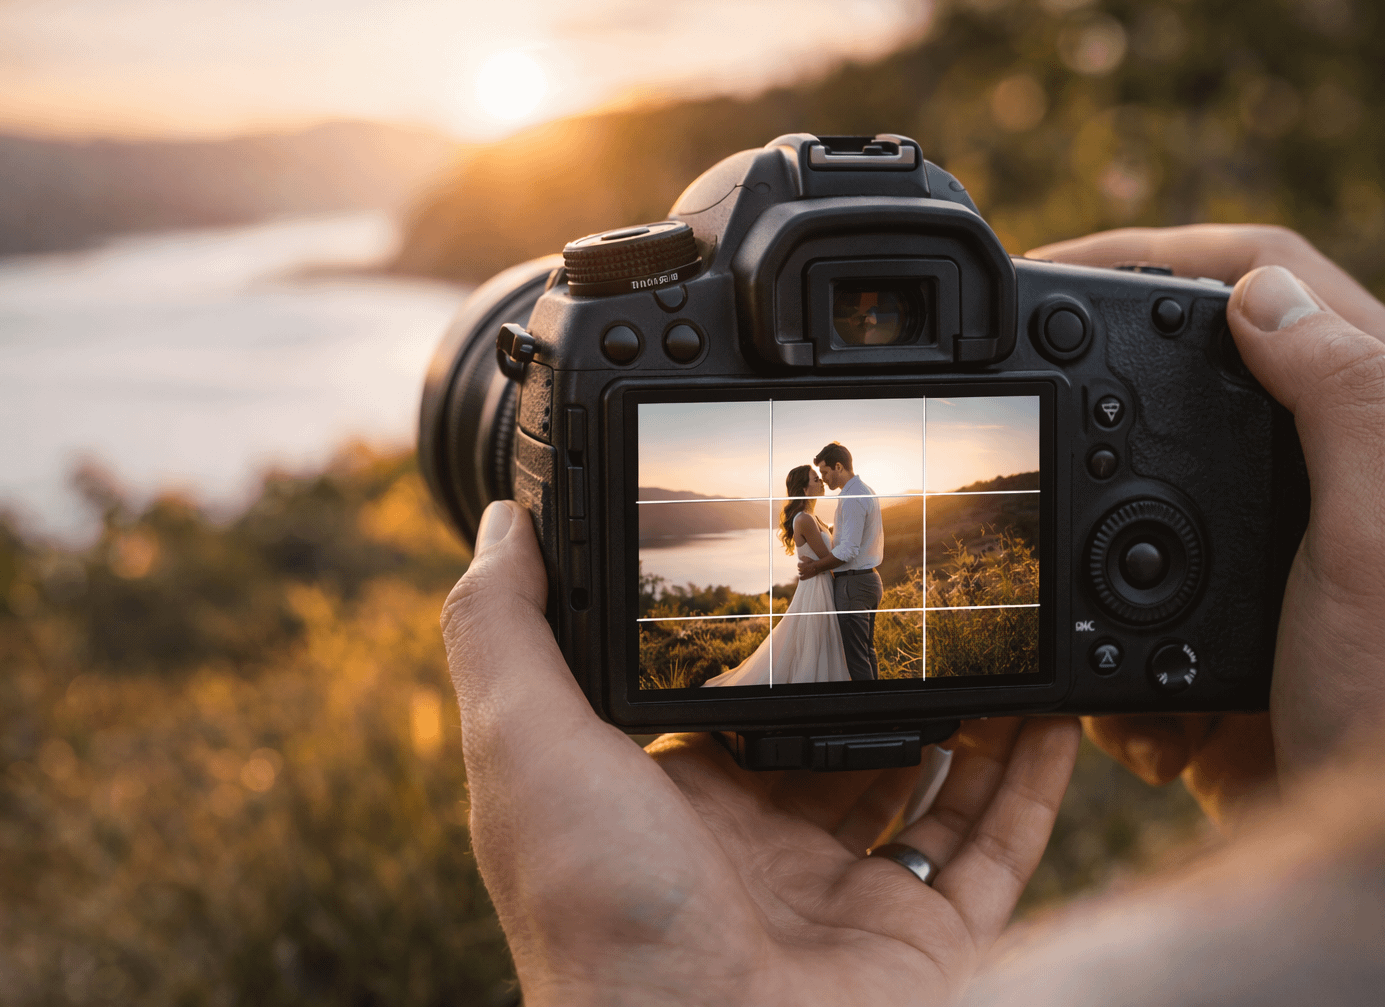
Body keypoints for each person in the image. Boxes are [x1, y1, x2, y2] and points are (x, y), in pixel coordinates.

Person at [439, 224, 1385, 1005]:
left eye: (829, 467)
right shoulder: (828, 503)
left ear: (840, 467)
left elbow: (848, 556)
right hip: (833, 589)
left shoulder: (851, 502)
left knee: (841, 653)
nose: (826, 476)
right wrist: (1335, 818)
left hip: (843, 585)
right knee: (838, 655)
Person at [705, 464, 849, 686]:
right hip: (816, 589)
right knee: (814, 643)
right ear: (804, 489)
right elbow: (828, 556)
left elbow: (825, 557)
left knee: (818, 642)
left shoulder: (814, 517)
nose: (821, 481)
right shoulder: (804, 519)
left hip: (821, 583)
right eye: (815, 479)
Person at [797, 442, 885, 681]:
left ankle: (866, 704)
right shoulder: (863, 490)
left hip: (853, 586)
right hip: (867, 580)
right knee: (866, 651)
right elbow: (852, 538)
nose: (823, 479)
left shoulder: (853, 497)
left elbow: (849, 550)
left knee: (855, 657)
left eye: (825, 472)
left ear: (838, 466)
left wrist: (814, 567)